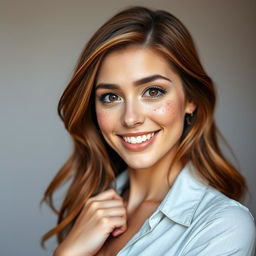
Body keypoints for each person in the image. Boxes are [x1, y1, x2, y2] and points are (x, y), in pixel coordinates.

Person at [41, 6, 256, 256]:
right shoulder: (92, 209)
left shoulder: (222, 226)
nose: (131, 118)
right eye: (111, 96)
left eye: (153, 92)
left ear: (190, 99)